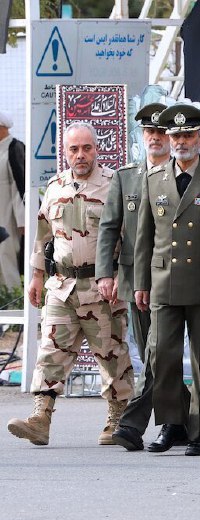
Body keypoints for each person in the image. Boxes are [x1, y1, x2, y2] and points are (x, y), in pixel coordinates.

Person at [7, 122, 134, 446]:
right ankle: (40, 418)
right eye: (74, 149)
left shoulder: (112, 185)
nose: (81, 155)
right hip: (62, 287)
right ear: (65, 152)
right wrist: (36, 276)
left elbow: (130, 239)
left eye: (87, 148)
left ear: (96, 149)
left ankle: (116, 420)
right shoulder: (55, 186)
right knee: (50, 352)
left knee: (111, 356)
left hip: (101, 287)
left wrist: (122, 278)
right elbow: (42, 236)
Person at [134, 104, 200, 456]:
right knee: (160, 356)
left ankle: (199, 431)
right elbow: (144, 238)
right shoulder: (153, 178)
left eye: (187, 135)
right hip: (164, 281)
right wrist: (141, 283)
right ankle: (172, 424)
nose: (181, 141)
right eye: (175, 135)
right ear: (168, 138)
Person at [96, 103, 189, 452]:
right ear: (142, 136)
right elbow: (109, 227)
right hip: (135, 279)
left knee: (158, 352)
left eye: (161, 131)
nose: (155, 137)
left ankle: (133, 423)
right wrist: (105, 273)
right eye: (149, 131)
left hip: (172, 279)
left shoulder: (184, 175)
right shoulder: (127, 176)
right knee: (156, 353)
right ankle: (184, 419)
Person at [0, 110, 25, 290]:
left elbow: (20, 187)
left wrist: (23, 221)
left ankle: (13, 302)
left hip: (8, 215)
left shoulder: (14, 147)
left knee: (6, 254)